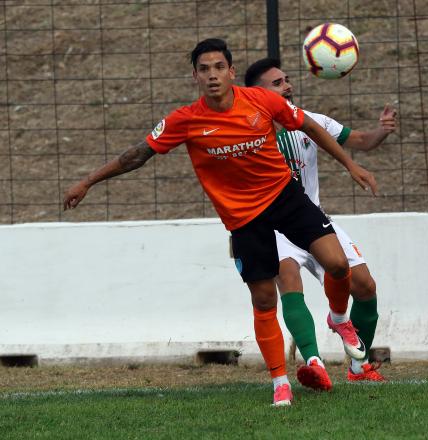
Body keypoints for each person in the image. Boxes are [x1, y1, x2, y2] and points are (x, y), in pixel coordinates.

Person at [63, 38, 378, 407]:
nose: (212, 76)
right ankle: (280, 382)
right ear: (195, 76)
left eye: (218, 68)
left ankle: (338, 318)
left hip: (286, 197)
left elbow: (310, 127)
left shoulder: (262, 101)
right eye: (203, 69)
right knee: (263, 300)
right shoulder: (186, 120)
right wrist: (88, 181)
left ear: (231, 72)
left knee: (339, 264)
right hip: (244, 218)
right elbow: (138, 155)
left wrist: (350, 164)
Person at [244, 58, 396, 383]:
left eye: (286, 79)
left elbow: (361, 141)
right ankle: (314, 363)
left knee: (365, 286)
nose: (287, 85)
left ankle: (359, 367)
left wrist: (381, 131)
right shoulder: (245, 129)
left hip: (314, 220)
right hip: (274, 227)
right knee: (288, 276)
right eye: (277, 82)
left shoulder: (309, 121)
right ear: (255, 92)